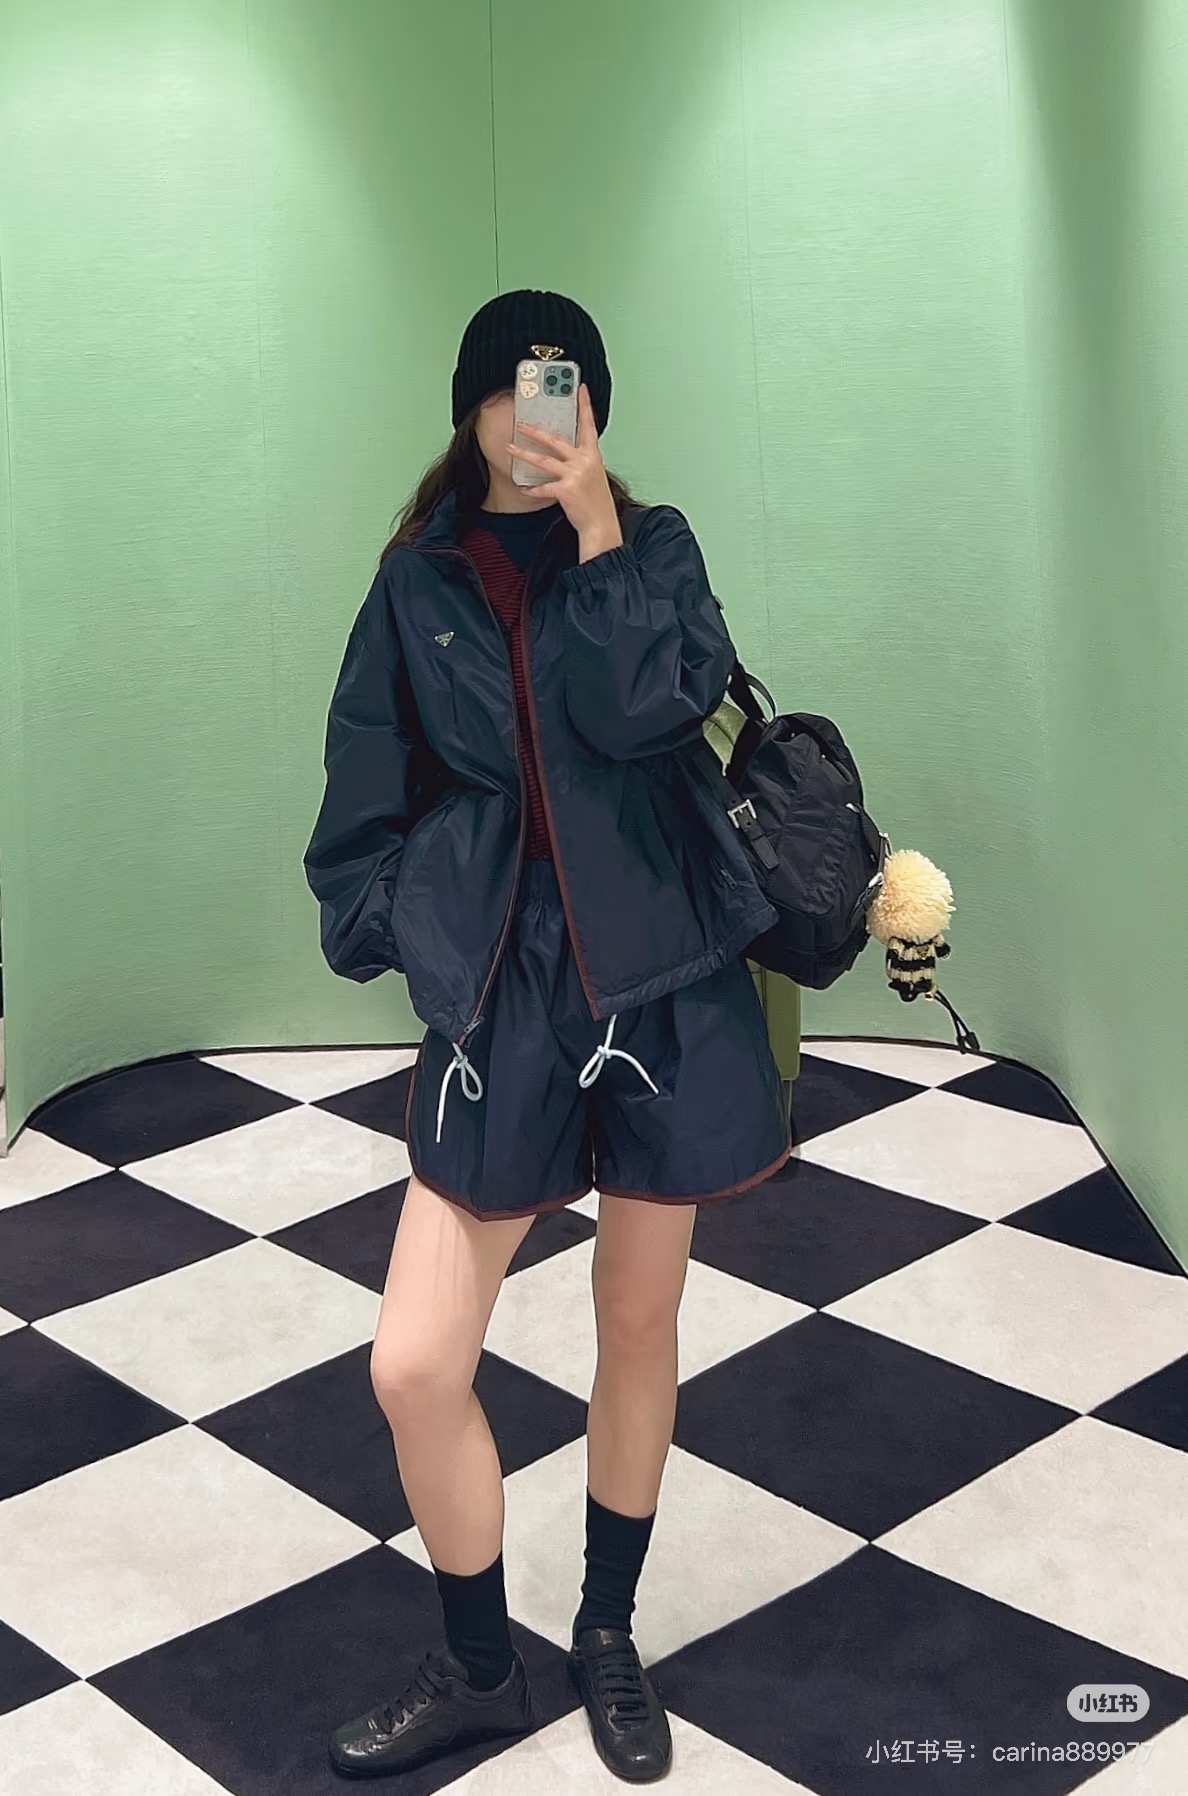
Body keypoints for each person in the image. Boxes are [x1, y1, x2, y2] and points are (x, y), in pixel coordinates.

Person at [303, 289, 792, 1782]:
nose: (537, 421)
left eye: (563, 392)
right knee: (413, 1362)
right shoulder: (415, 584)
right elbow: (362, 790)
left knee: (637, 1319)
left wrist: (596, 538)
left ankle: (606, 1629)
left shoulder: (654, 551)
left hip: (659, 982)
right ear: (469, 409)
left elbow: (651, 712)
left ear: (595, 407)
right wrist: (414, 928)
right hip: (501, 999)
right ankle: (475, 1664)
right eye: (512, 393)